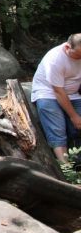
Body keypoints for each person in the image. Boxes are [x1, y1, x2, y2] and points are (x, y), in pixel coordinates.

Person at [31, 34, 81, 163]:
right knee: (57, 130)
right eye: (78, 55)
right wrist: (74, 116)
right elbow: (58, 91)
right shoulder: (55, 59)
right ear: (67, 47)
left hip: (73, 93)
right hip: (48, 93)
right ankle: (66, 168)